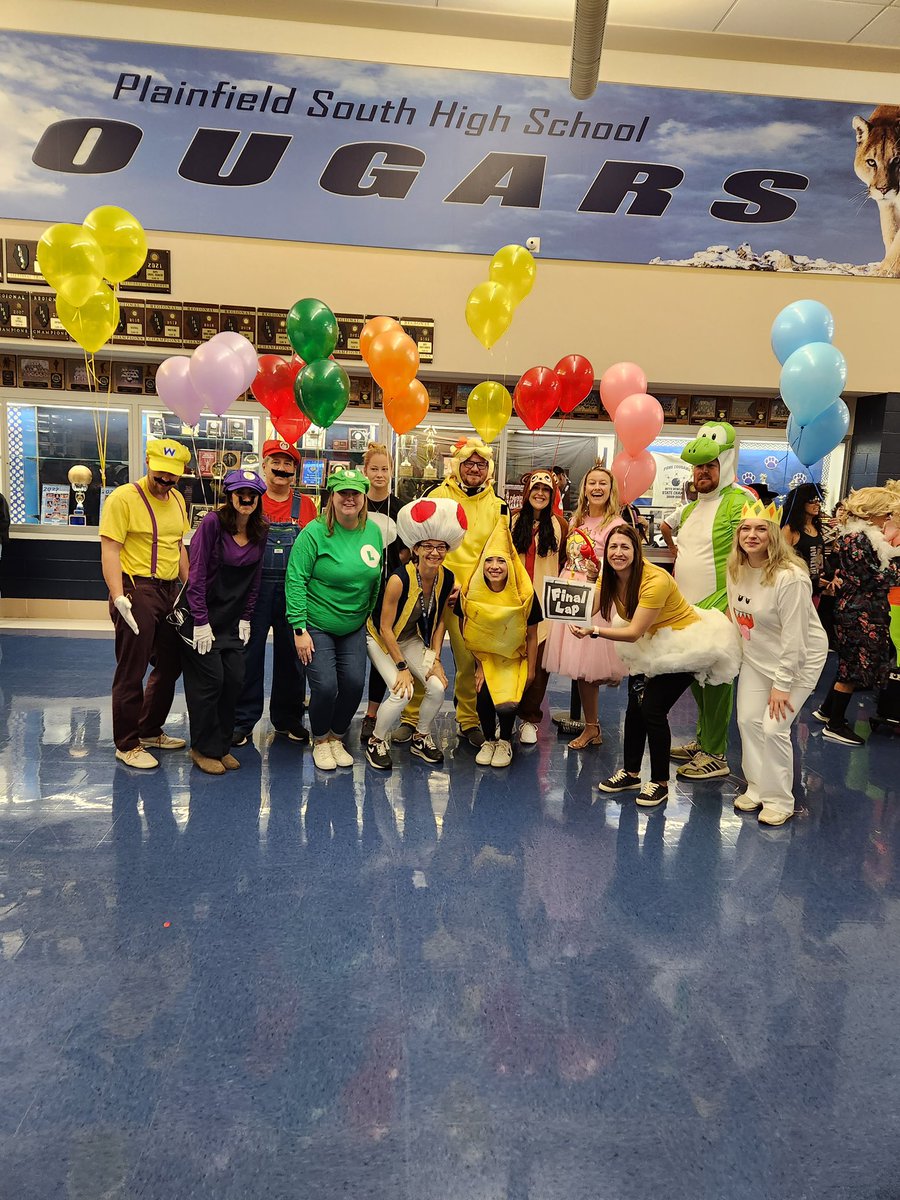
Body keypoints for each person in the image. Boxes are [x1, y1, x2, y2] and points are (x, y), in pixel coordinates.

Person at [575, 525, 740, 808]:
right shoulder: (609, 574)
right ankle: (631, 773)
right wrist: (568, 610)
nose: (618, 553)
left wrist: (594, 631)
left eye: (625, 547)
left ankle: (660, 783)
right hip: (651, 643)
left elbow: (633, 632)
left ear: (637, 550)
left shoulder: (655, 580)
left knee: (652, 709)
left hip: (683, 645)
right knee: (634, 708)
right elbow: (590, 605)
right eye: (613, 547)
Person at [394, 437, 507, 748]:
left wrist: (475, 590)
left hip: (472, 597)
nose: (474, 469)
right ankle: (411, 718)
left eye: (481, 464)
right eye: (469, 463)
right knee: (421, 654)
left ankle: (468, 720)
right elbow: (419, 543)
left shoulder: (499, 506)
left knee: (469, 660)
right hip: (432, 589)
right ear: (457, 465)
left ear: (489, 468)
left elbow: (497, 553)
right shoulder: (435, 495)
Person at [726, 500, 828, 826]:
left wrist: (782, 684)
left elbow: (795, 638)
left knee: (773, 727)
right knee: (747, 721)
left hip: (799, 660)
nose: (752, 535)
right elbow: (737, 617)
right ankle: (757, 786)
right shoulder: (736, 569)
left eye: (761, 529)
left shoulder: (791, 577)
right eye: (745, 528)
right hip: (758, 657)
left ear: (773, 534)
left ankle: (780, 799)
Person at [99, 438, 192, 769]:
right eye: (160, 473)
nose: (166, 480)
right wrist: (117, 596)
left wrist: (191, 587)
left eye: (173, 475)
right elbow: (110, 549)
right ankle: (127, 743)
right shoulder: (123, 498)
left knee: (171, 662)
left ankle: (150, 729)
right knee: (132, 667)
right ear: (148, 464)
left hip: (169, 591)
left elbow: (178, 546)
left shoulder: (177, 499)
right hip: (136, 588)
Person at [286, 467, 383, 770]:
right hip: (317, 624)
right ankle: (320, 739)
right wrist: (299, 628)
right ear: (332, 496)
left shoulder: (373, 531)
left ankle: (337, 737)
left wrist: (366, 617)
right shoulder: (314, 533)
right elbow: (295, 579)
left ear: (364, 497)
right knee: (326, 687)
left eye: (356, 493)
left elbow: (375, 579)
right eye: (343, 493)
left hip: (354, 624)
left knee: (354, 684)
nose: (349, 499)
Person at [669, 421, 748, 780]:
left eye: (711, 465)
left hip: (721, 607)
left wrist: (734, 606)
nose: (702, 472)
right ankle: (703, 740)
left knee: (717, 679)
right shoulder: (689, 510)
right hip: (688, 609)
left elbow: (750, 556)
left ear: (725, 465)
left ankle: (715, 753)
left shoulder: (740, 502)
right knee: (695, 676)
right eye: (699, 466)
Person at [364, 498, 466, 771]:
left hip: (409, 638)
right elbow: (385, 628)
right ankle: (376, 741)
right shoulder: (399, 579)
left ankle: (421, 736)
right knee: (402, 692)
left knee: (437, 686)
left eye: (441, 547)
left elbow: (440, 622)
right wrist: (402, 667)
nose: (435, 552)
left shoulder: (447, 578)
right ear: (416, 549)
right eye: (428, 546)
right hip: (380, 640)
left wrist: (435, 659)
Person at [181, 470, 268, 775]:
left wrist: (246, 617)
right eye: (240, 493)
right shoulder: (212, 524)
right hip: (203, 617)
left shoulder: (260, 529)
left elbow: (255, 577)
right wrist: (200, 620)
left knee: (234, 680)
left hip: (232, 619)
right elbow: (196, 573)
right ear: (230, 495)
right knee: (210, 682)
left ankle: (221, 747)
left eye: (252, 494)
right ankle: (202, 749)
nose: (246, 499)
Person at [232, 439, 317, 747]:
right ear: (264, 465)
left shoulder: (306, 505)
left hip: (293, 591)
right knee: (248, 654)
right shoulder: (250, 498)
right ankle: (242, 720)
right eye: (276, 463)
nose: (281, 469)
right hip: (254, 590)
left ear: (295, 470)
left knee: (293, 656)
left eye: (288, 464)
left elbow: (313, 550)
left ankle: (288, 719)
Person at [543, 464, 627, 749]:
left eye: (603, 483)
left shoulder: (616, 524)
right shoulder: (577, 519)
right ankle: (592, 725)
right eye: (592, 482)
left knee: (588, 666)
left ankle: (592, 726)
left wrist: (598, 574)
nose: (597, 488)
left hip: (595, 594)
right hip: (570, 591)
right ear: (585, 488)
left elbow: (621, 562)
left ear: (610, 489)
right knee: (579, 667)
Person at [813, 486, 900, 746]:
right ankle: (835, 724)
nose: (888, 517)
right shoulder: (858, 539)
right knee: (852, 668)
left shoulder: (862, 536)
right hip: (859, 610)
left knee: (850, 664)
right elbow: (872, 579)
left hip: (863, 607)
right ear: (871, 512)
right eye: (885, 512)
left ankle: (827, 710)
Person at [459, 522, 541, 769]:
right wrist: (479, 665)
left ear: (510, 565)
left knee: (507, 703)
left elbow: (532, 635)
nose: (494, 566)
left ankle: (505, 740)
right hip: (485, 657)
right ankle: (489, 740)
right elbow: (469, 631)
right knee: (483, 695)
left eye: (501, 561)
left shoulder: (525, 594)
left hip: (515, 657)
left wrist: (531, 670)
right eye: (489, 560)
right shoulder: (470, 593)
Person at [510, 469, 567, 743]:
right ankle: (505, 714)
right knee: (509, 659)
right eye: (536, 488)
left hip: (544, 606)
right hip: (512, 603)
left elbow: (566, 561)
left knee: (539, 664)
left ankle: (529, 718)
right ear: (527, 492)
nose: (540, 493)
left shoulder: (561, 526)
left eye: (546, 489)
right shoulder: (511, 521)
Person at [359, 442, 405, 744]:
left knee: (381, 652)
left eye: (384, 469)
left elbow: (407, 549)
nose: (379, 474)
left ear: (391, 471)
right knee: (351, 655)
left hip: (387, 593)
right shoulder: (355, 502)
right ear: (365, 471)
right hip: (356, 588)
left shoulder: (400, 508)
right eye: (374, 468)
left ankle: (372, 713)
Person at [780, 483, 826, 601]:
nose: (817, 504)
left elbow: (819, 556)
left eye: (818, 500)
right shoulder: (790, 530)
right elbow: (781, 560)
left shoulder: (816, 527)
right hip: (796, 588)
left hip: (816, 589)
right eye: (812, 501)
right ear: (801, 503)